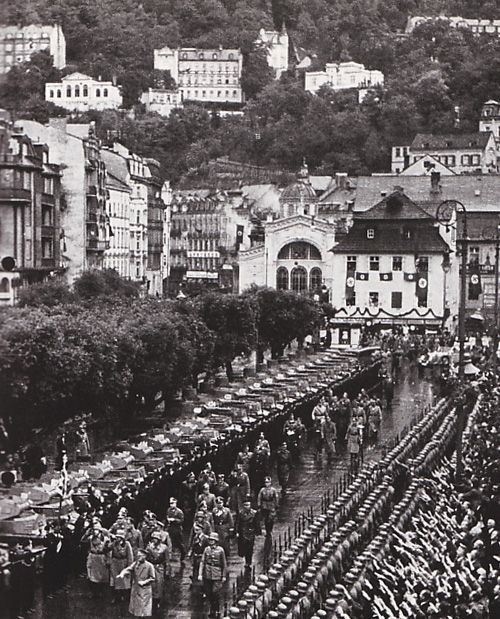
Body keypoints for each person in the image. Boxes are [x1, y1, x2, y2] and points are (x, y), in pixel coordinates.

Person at [118, 548, 156, 617]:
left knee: (143, 608)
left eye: (140, 556)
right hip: (136, 588)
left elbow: (152, 578)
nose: (138, 557)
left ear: (145, 556)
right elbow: (129, 569)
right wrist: (122, 573)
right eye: (138, 556)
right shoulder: (136, 563)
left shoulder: (149, 566)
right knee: (136, 607)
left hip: (144, 589)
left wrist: (144, 582)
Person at [199, 532, 227, 618]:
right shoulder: (206, 549)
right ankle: (212, 609)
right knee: (209, 593)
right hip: (207, 574)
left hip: (217, 574)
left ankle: (217, 609)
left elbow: (224, 564)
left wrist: (224, 576)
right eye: (210, 540)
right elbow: (202, 562)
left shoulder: (220, 550)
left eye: (213, 540)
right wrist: (200, 574)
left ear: (216, 541)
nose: (211, 541)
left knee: (215, 592)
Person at [145, 530, 170, 613]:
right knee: (150, 585)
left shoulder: (164, 547)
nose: (154, 540)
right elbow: (145, 557)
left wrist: (167, 571)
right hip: (150, 567)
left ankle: (157, 601)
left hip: (159, 567)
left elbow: (165, 559)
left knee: (158, 585)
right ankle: (151, 600)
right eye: (153, 538)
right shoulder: (149, 547)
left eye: (156, 538)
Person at [84, 523, 110, 596]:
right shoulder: (90, 538)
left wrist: (108, 559)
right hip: (93, 556)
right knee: (92, 575)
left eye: (96, 530)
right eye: (94, 530)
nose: (95, 531)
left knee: (102, 575)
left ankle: (102, 591)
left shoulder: (105, 539)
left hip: (101, 557)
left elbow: (108, 550)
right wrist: (86, 534)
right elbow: (83, 541)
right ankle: (94, 592)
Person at [109, 529, 134, 602]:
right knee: (115, 579)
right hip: (115, 562)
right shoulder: (114, 543)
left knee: (124, 580)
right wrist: (111, 542)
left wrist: (129, 566)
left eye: (119, 537)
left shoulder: (127, 544)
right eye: (117, 537)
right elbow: (107, 548)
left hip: (124, 563)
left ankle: (125, 596)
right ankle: (116, 596)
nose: (117, 538)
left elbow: (130, 556)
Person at [237, 496, 261, 568]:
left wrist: (257, 532)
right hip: (243, 532)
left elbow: (257, 523)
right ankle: (245, 560)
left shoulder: (254, 513)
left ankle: (248, 562)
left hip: (251, 532)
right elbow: (238, 523)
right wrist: (237, 532)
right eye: (245, 505)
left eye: (248, 505)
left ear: (250, 505)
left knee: (250, 548)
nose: (246, 506)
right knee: (244, 547)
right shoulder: (241, 513)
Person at [188, 519, 210, 586]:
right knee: (195, 569)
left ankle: (203, 586)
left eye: (197, 530)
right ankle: (195, 584)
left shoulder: (206, 538)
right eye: (195, 530)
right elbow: (193, 546)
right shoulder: (195, 537)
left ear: (201, 530)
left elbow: (208, 548)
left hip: (202, 557)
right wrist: (190, 552)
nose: (196, 532)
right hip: (196, 556)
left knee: (202, 571)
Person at [166, 497, 185, 562]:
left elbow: (182, 520)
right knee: (170, 542)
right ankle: (170, 556)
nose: (171, 505)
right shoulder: (168, 510)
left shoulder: (179, 511)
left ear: (175, 503)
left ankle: (183, 554)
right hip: (171, 528)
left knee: (179, 542)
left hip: (177, 529)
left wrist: (174, 520)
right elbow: (167, 517)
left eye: (172, 503)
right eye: (170, 503)